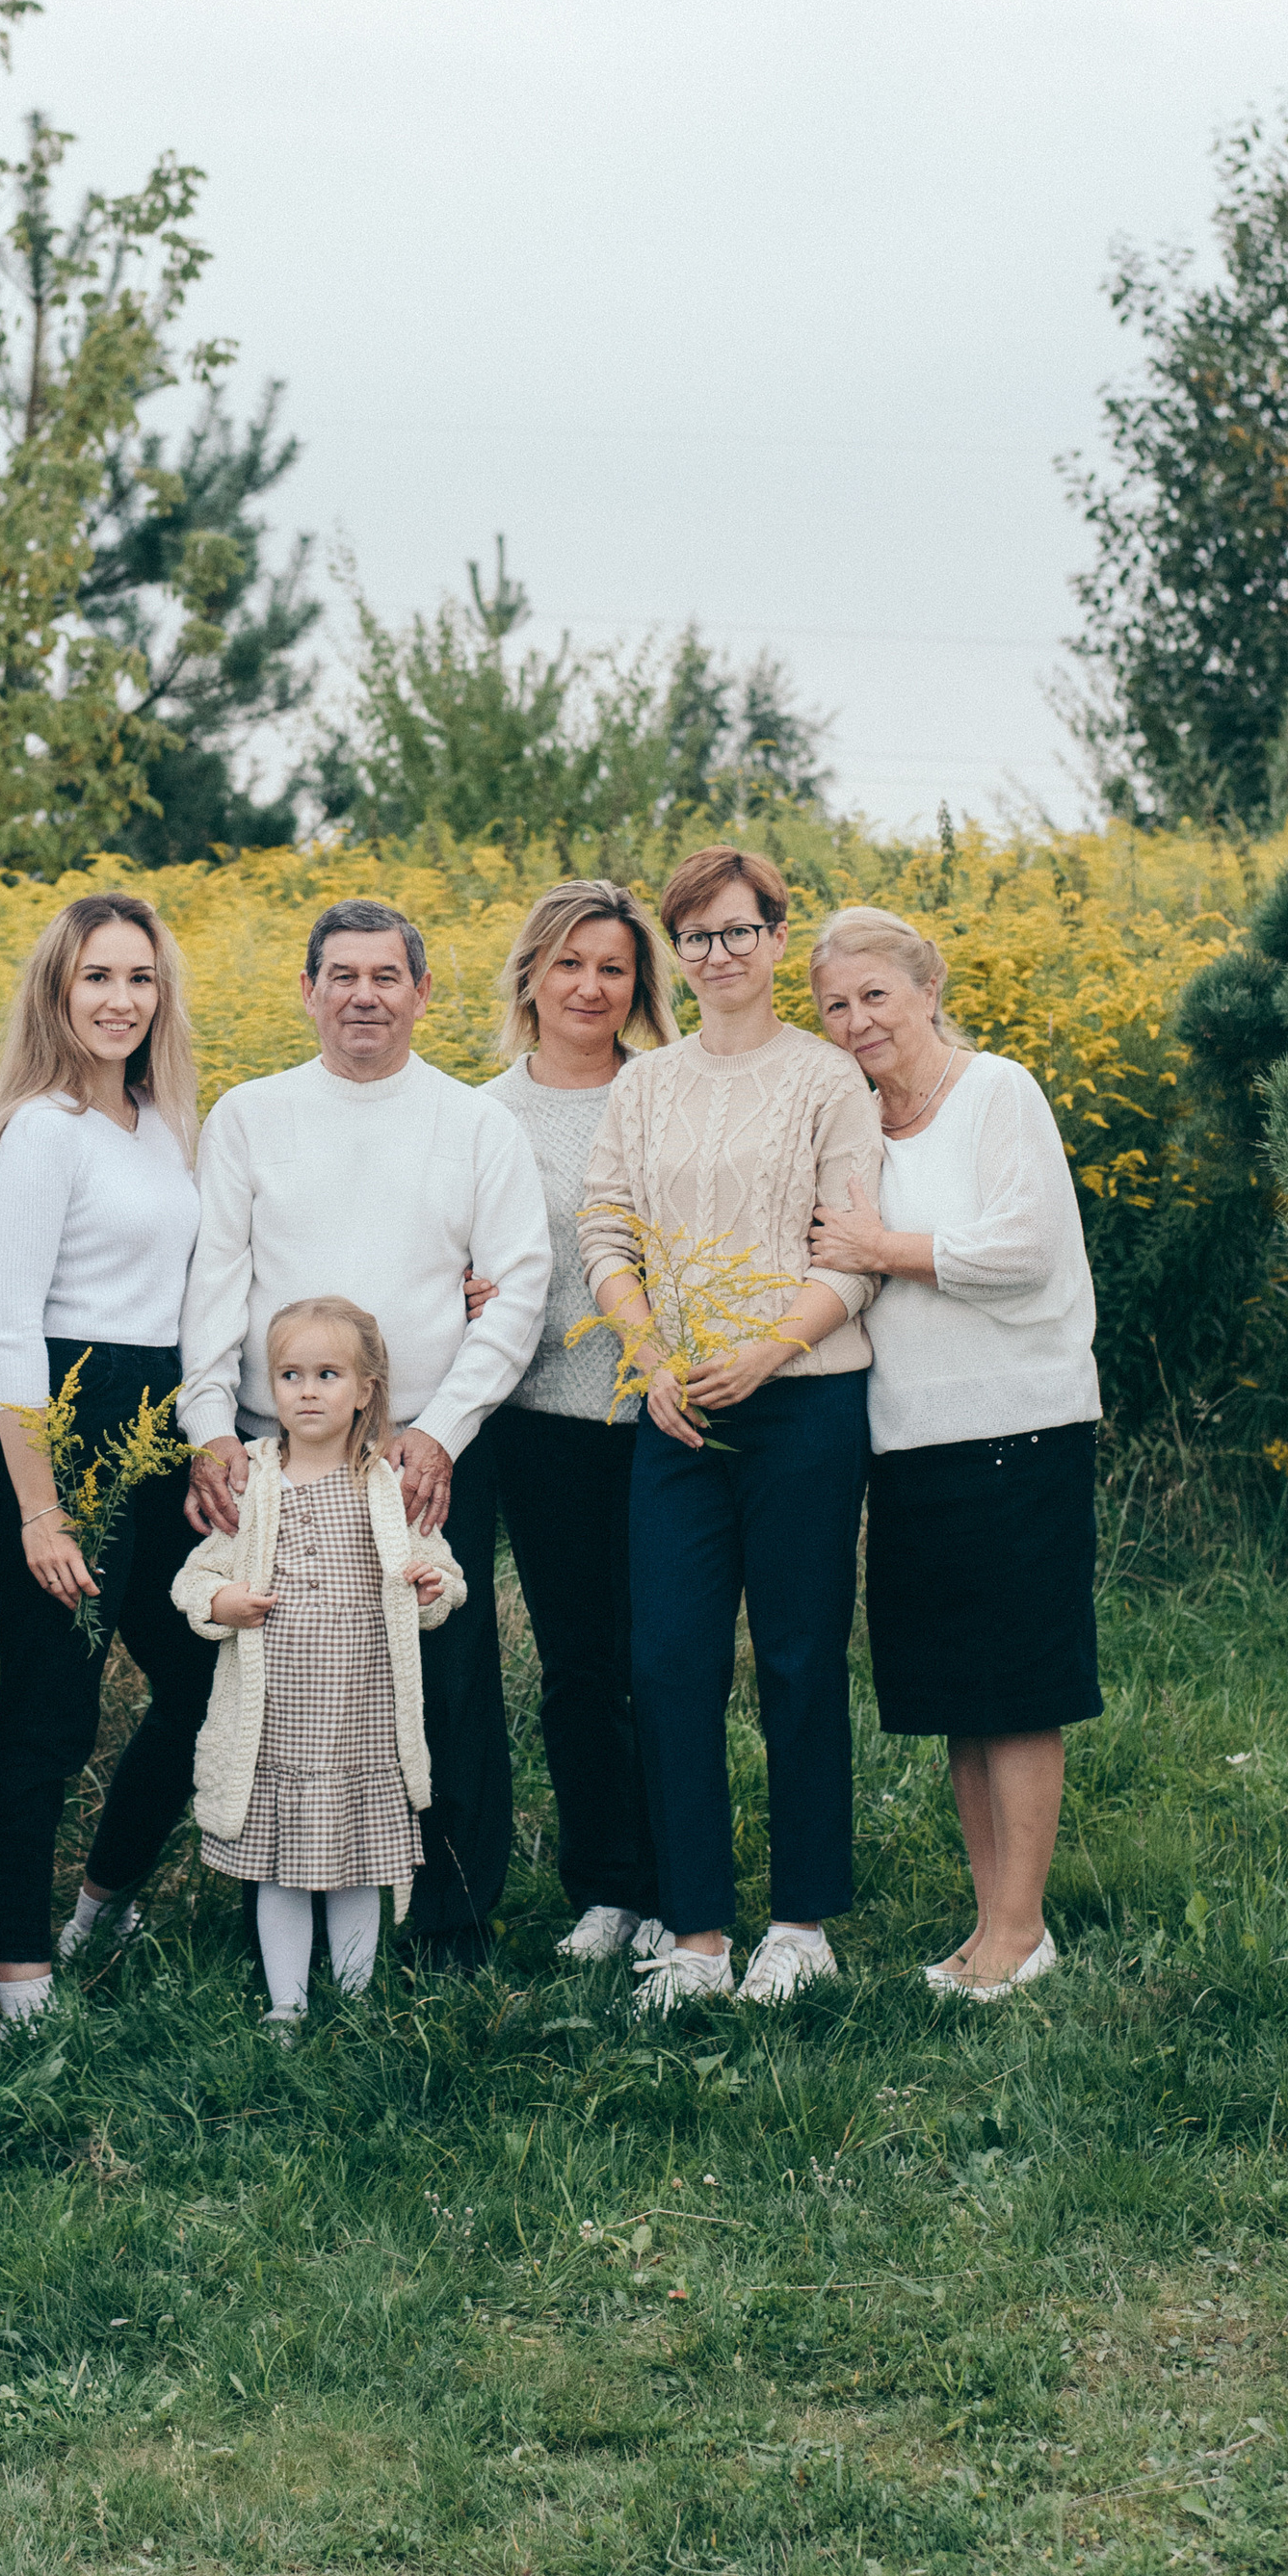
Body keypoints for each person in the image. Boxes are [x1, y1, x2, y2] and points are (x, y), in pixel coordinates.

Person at [179, 897, 552, 1971]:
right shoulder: (251, 1115)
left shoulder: (474, 1124)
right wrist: (210, 1427)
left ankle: (450, 1922)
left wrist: (443, 1429)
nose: (363, 996)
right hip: (279, 1450)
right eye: (341, 975)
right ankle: (275, 1906)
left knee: (443, 1678)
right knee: (278, 1674)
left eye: (386, 976)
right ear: (307, 991)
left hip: (422, 1454)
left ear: (422, 993)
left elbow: (519, 1288)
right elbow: (215, 1282)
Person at [576, 845, 881, 2015]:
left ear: (775, 938)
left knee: (798, 1658)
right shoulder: (645, 1085)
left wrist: (770, 1348)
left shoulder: (826, 1079)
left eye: (739, 930)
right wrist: (651, 1359)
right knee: (668, 1663)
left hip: (803, 1397)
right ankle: (696, 1932)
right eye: (696, 936)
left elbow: (853, 1252)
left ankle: (799, 1925)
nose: (718, 954)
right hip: (677, 1408)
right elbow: (606, 1230)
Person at [806, 905, 1101, 2001]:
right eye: (835, 1005)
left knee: (1016, 1689)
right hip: (907, 1435)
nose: (857, 1020)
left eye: (875, 994)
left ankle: (1023, 1931)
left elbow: (1025, 1250)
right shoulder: (855, 1125)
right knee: (958, 1694)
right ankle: (989, 1928)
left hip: (1021, 1424)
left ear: (928, 989)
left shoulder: (997, 1091)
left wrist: (881, 1247)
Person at [0, 891, 217, 2024]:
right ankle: (17, 1971)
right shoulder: (41, 1129)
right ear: (56, 992)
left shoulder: (165, 1121)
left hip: (162, 1419)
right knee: (50, 1708)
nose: (121, 1000)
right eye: (97, 978)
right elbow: (9, 1328)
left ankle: (101, 1905)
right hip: (67, 1421)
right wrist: (39, 1507)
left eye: (139, 978)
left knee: (206, 1682)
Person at [479, 877, 678, 1965]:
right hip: (540, 1420)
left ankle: (680, 1884)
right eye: (568, 963)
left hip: (665, 1413)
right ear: (531, 976)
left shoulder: (671, 1092)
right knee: (578, 1665)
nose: (589, 986)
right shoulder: (482, 1114)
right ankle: (606, 1888)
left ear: (638, 984)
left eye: (612, 967)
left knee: (666, 1657)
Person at [174, 1297, 464, 2026]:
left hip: (360, 1722)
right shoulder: (253, 1480)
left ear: (365, 1390)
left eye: (328, 1374)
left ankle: (358, 1998)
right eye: (291, 1375)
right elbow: (194, 1580)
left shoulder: (384, 1485)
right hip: (277, 1726)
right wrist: (222, 1603)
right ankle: (287, 2003)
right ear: (270, 1386)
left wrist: (431, 1587)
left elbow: (444, 1572)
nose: (308, 1391)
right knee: (281, 1870)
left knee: (358, 1865)